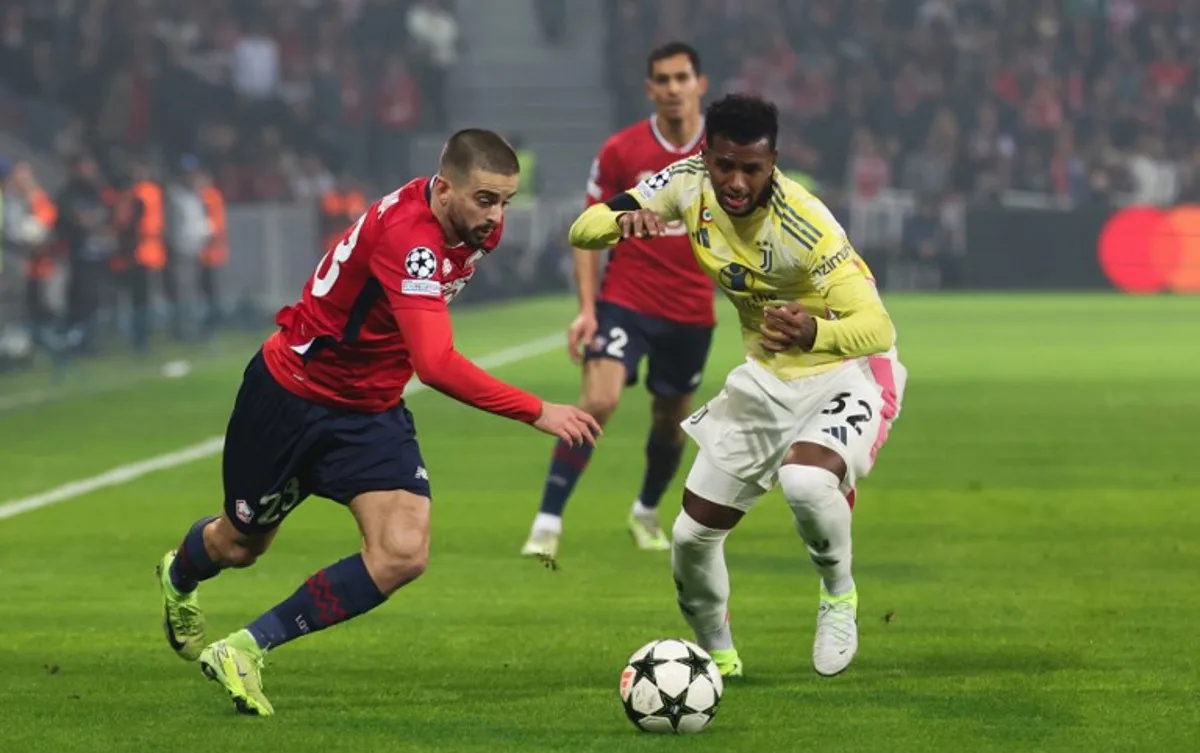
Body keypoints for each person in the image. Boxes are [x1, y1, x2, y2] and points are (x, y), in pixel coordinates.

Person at [154, 129, 601, 716]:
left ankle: (245, 648)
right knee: (238, 546)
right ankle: (180, 575)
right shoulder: (411, 238)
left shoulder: (469, 228)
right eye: (484, 199)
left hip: (370, 412)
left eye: (505, 202)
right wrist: (538, 409)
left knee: (403, 551)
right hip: (292, 398)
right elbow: (436, 364)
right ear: (444, 190)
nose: (495, 217)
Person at [567, 95, 907, 679]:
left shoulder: (806, 222)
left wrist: (815, 331)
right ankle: (719, 664)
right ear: (707, 155)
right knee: (691, 537)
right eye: (725, 164)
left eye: (752, 167)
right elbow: (584, 226)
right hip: (767, 382)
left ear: (773, 160)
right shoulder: (686, 183)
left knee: (804, 481)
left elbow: (878, 326)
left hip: (845, 372)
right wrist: (624, 222)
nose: (737, 181)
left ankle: (838, 595)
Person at [523, 42, 715, 559]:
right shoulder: (621, 151)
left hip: (693, 309)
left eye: (682, 78)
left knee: (670, 422)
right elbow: (586, 232)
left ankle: (646, 512)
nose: (673, 89)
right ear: (650, 88)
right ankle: (546, 522)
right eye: (663, 80)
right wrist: (587, 309)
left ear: (701, 84)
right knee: (600, 401)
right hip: (626, 300)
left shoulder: (719, 156)